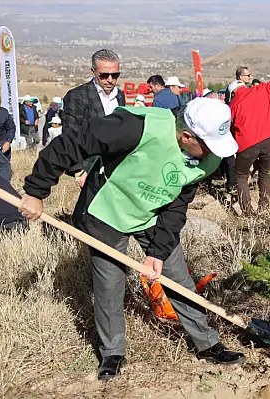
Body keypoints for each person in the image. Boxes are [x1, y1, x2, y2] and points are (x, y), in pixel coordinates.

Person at [19, 98, 243, 379]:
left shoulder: (209, 159)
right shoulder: (134, 127)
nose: (215, 153)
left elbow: (177, 205)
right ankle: (112, 352)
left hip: (153, 213)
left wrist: (158, 252)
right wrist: (36, 191)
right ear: (186, 136)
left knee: (177, 278)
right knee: (110, 283)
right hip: (108, 211)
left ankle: (207, 344)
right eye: (209, 144)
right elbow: (69, 144)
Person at [60, 49, 126, 188]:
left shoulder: (120, 96)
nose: (110, 79)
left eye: (115, 75)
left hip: (115, 166)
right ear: (93, 71)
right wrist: (78, 170)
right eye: (104, 75)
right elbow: (70, 133)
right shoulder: (77, 96)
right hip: (88, 167)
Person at [227, 79, 270, 214]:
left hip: (247, 144)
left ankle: (247, 211)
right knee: (265, 173)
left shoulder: (233, 105)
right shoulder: (262, 88)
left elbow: (229, 129)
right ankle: (264, 209)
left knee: (241, 176)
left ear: (233, 93)